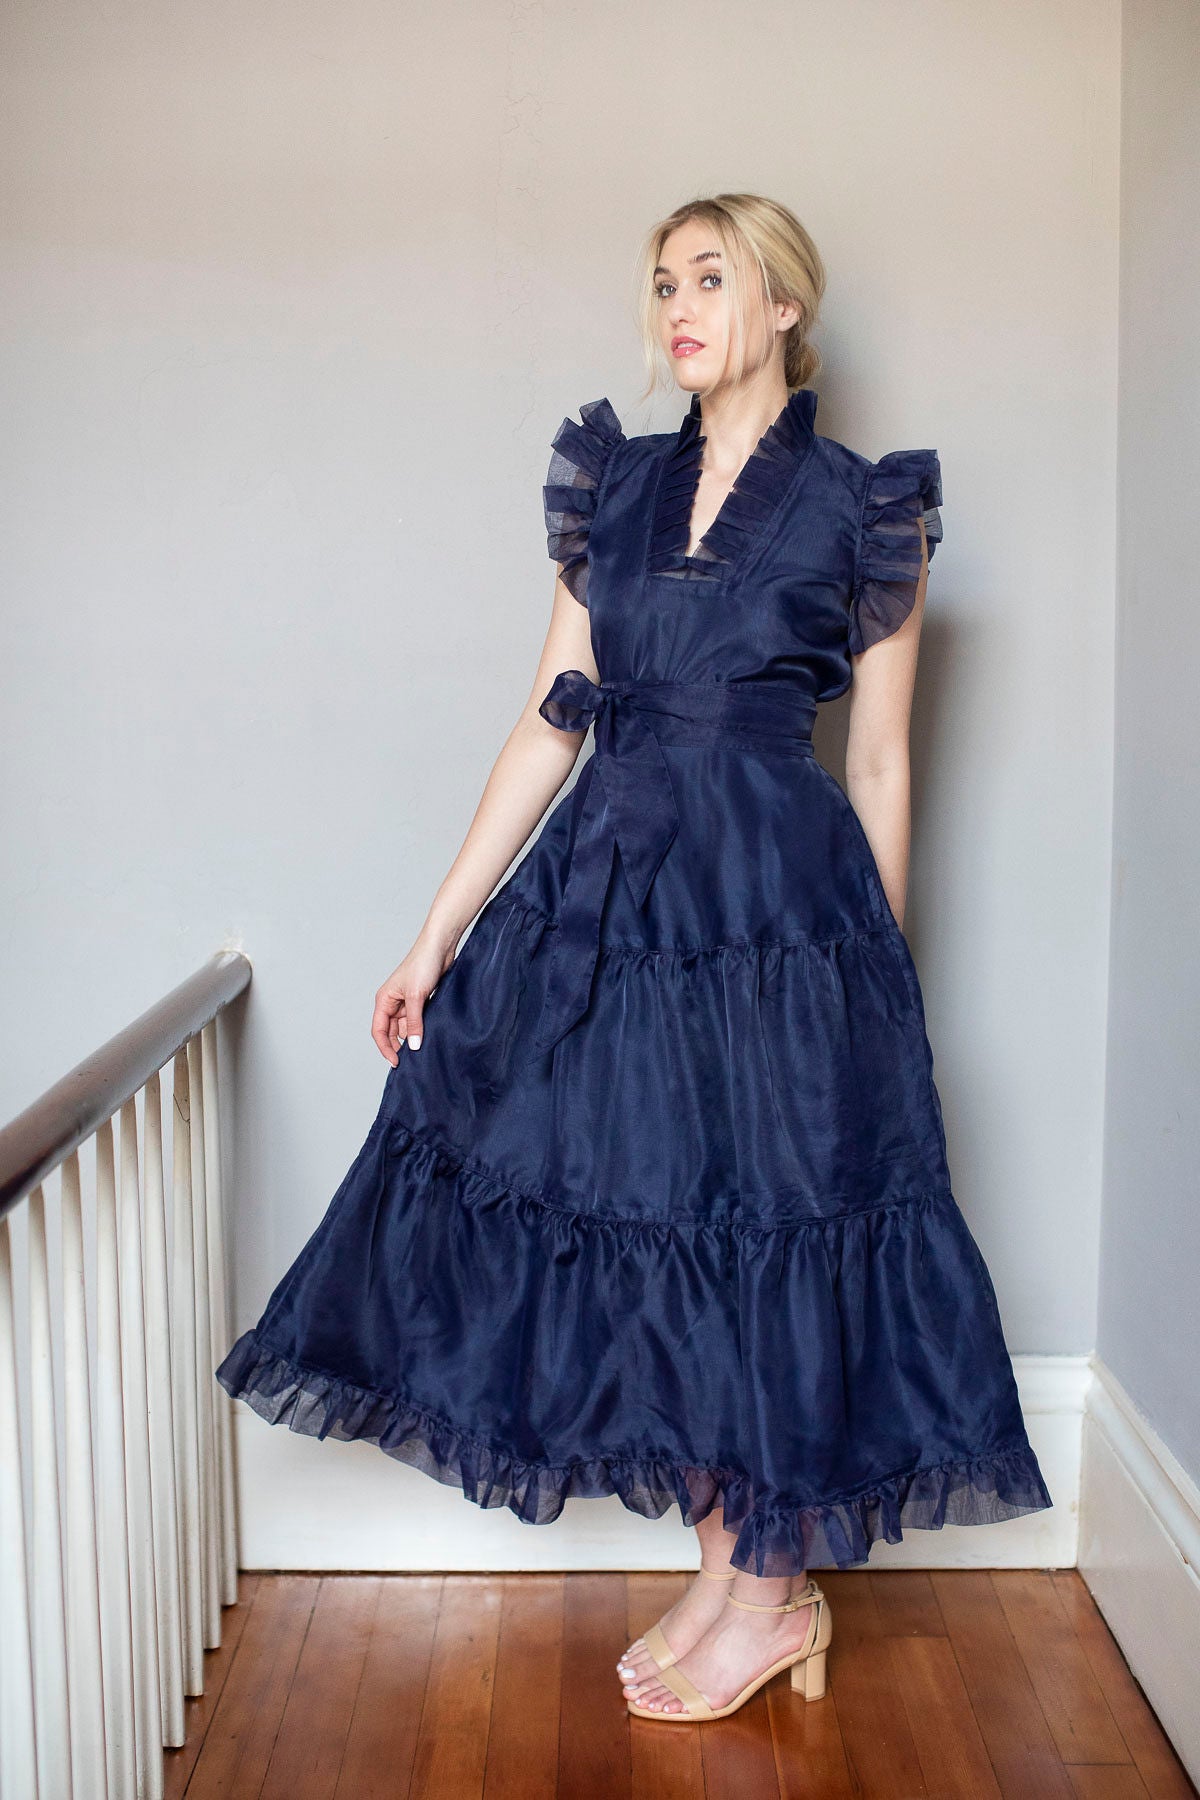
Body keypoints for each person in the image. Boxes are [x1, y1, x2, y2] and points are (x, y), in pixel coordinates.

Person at [216, 192, 1053, 1723]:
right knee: (666, 1228)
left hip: (781, 923)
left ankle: (770, 1592)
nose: (677, 306)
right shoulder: (615, 487)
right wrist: (433, 935)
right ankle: (742, 1575)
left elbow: (879, 761)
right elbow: (550, 720)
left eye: (711, 277)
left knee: (770, 1228)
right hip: (608, 907)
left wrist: (874, 978)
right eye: (663, 281)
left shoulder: (867, 507)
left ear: (785, 304)